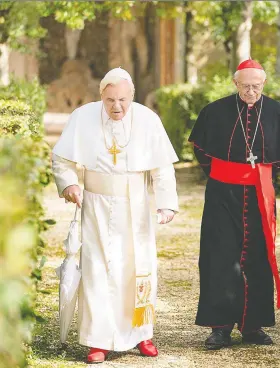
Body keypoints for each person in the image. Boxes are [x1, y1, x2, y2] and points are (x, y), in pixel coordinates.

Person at [52, 67, 179, 363]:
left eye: (123, 100)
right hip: (96, 205)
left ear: (132, 96)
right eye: (110, 100)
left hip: (136, 207)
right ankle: (98, 340)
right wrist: (69, 183)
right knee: (98, 272)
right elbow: (62, 159)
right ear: (101, 96)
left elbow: (162, 168)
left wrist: (166, 204)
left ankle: (142, 334)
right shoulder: (83, 116)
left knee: (138, 269)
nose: (117, 107)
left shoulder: (148, 119)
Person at [188, 59, 280, 350]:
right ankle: (220, 328)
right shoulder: (214, 111)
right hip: (222, 195)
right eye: (245, 86)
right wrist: (225, 177)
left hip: (259, 195)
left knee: (258, 257)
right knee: (219, 257)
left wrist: (258, 176)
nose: (251, 91)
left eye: (256, 86)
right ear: (235, 84)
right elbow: (202, 152)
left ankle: (253, 326)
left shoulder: (276, 111)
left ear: (263, 84)